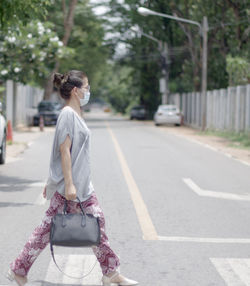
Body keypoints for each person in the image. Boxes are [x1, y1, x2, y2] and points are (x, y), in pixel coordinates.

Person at [7, 70, 138, 286]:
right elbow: (64, 150)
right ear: (76, 91)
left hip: (81, 186)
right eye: (86, 88)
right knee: (88, 224)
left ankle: (109, 272)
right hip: (73, 188)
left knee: (63, 228)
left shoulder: (75, 114)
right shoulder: (68, 114)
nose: (89, 91)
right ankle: (110, 272)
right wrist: (68, 184)